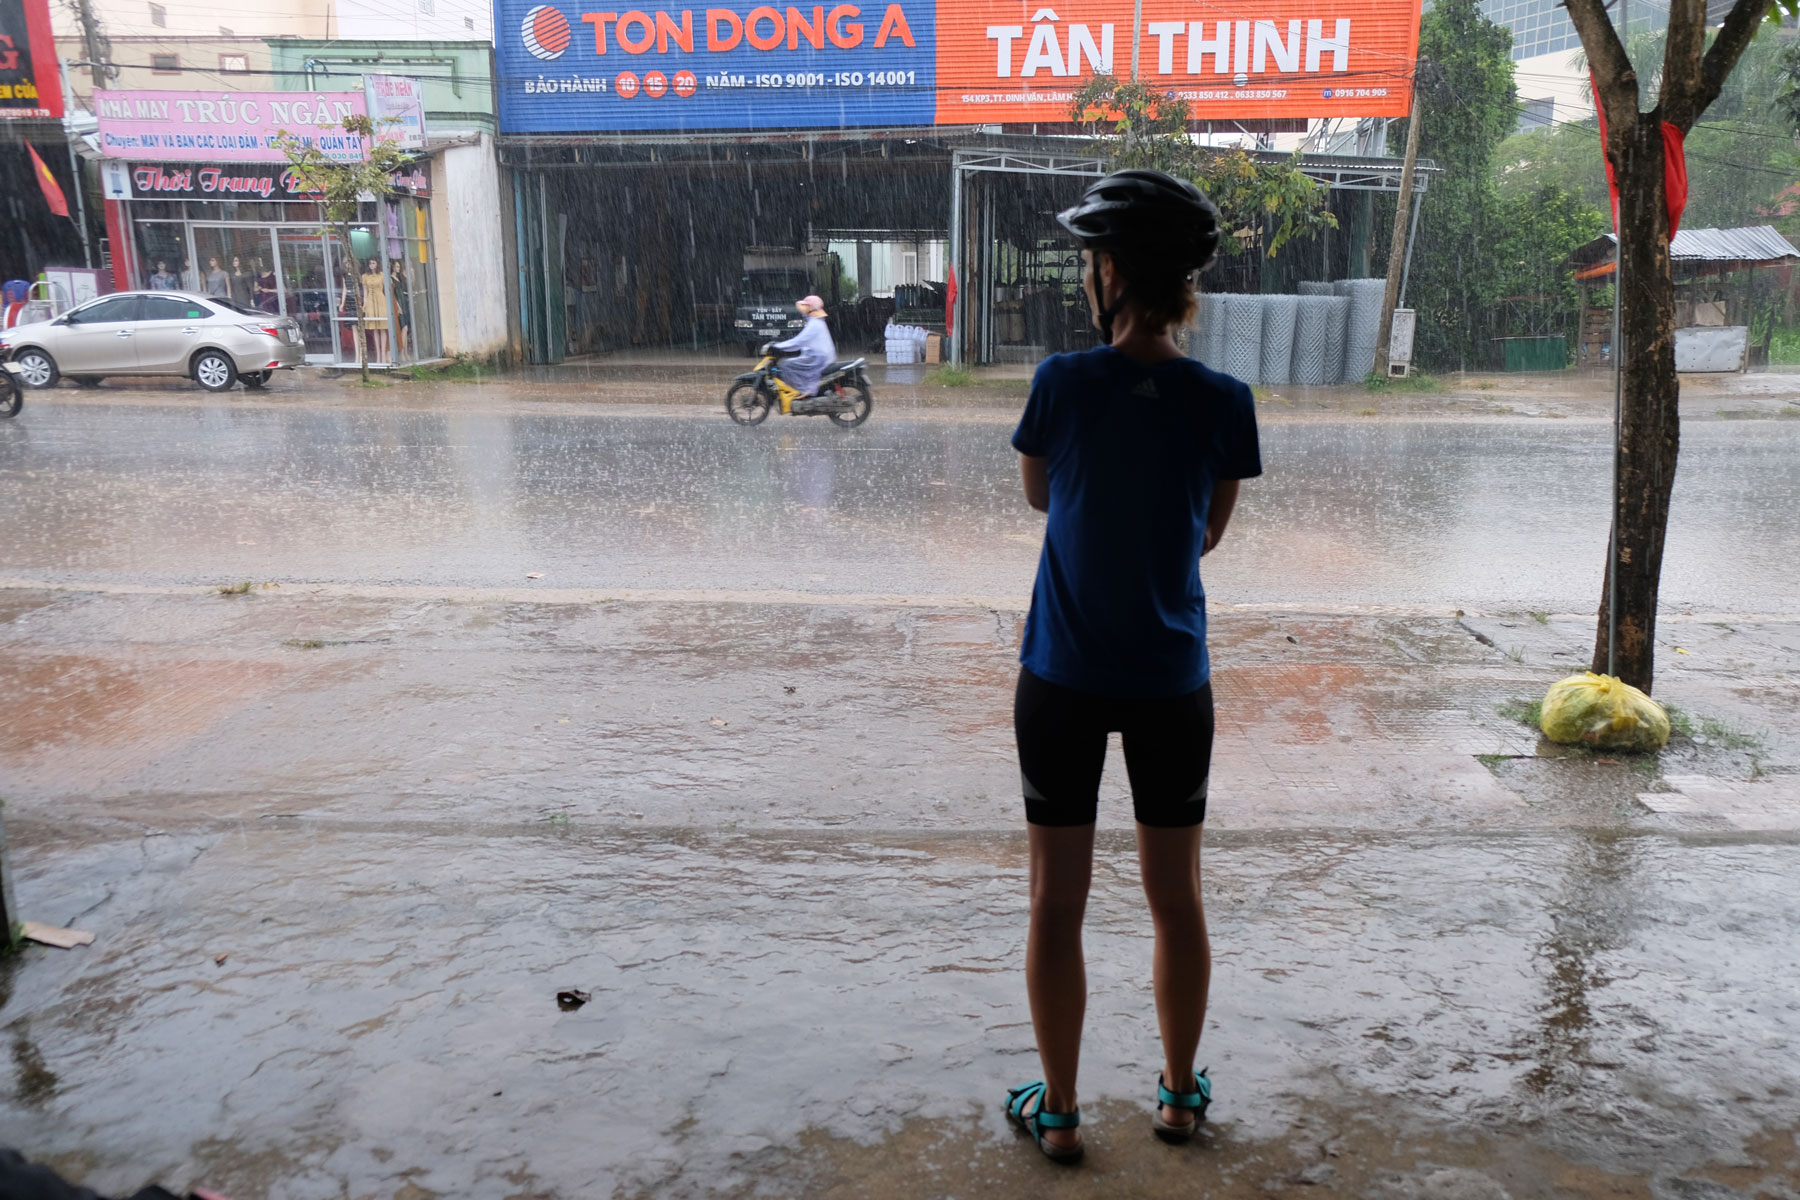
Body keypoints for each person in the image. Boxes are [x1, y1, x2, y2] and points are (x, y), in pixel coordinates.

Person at [1001, 169, 1261, 1163]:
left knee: (1054, 900)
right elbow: (1206, 534)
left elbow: (1039, 497)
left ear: (1108, 272)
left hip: (1061, 679)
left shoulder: (1062, 384)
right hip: (1170, 684)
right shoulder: (1223, 400)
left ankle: (1060, 1109)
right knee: (1176, 896)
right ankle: (1182, 1097)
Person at [767, 294, 835, 397]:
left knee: (786, 365)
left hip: (816, 357)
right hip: (817, 356)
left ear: (811, 308)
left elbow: (798, 342)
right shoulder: (816, 322)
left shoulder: (814, 324)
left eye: (806, 306)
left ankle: (802, 392)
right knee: (792, 364)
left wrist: (779, 346)